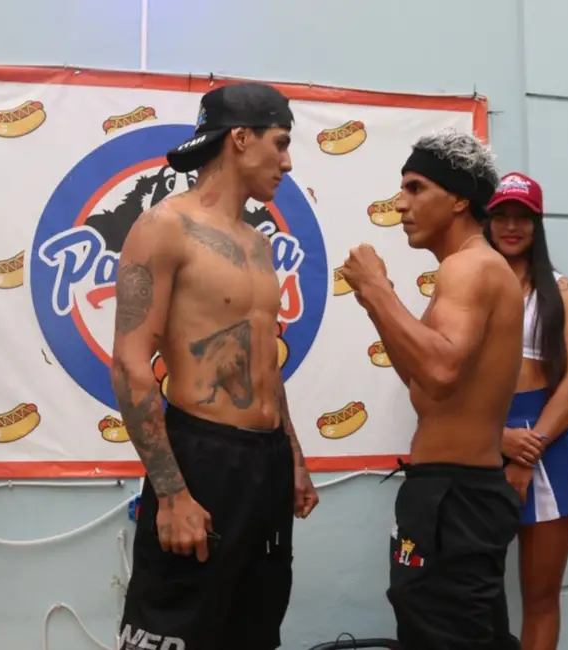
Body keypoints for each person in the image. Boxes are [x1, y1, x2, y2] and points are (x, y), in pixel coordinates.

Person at [112, 82, 319, 650]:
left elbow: (262, 360)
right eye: (280, 143)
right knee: (175, 632)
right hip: (201, 458)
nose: (287, 162)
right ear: (242, 139)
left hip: (265, 462)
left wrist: (294, 456)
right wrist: (171, 493)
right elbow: (130, 364)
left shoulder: (257, 243)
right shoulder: (164, 227)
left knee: (254, 632)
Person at [340, 128, 524, 649]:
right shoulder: (468, 268)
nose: (401, 203)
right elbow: (426, 386)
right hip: (458, 492)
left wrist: (378, 290)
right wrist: (377, 304)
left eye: (416, 188)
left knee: (440, 634)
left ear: (460, 198)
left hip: (454, 495)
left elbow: (439, 373)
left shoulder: (469, 268)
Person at [485, 172, 568, 650]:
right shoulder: (466, 282)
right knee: (471, 594)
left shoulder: (562, 291)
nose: (511, 226)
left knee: (540, 598)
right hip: (481, 437)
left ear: (537, 225)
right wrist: (495, 437)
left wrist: (528, 452)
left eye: (522, 217)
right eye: (502, 216)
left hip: (549, 441)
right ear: (487, 221)